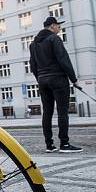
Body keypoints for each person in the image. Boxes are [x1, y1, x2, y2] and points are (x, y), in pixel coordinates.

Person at [29, 16, 82, 153]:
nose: (60, 28)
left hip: (42, 80)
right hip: (58, 79)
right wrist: (74, 79)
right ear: (52, 26)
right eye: (58, 26)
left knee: (47, 112)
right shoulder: (54, 39)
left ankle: (49, 145)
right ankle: (64, 144)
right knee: (62, 112)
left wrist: (39, 78)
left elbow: (33, 65)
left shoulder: (33, 44)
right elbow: (63, 59)